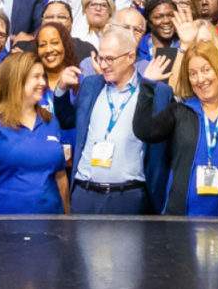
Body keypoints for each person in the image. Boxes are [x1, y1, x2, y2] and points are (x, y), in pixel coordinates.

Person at [134, 40, 218, 217]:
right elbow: (144, 131)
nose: (200, 79)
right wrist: (147, 86)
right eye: (193, 74)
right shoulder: (179, 111)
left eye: (206, 70)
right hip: (181, 222)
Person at [55, 30, 168, 214]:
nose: (103, 65)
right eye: (100, 58)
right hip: (85, 194)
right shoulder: (91, 85)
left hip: (127, 197)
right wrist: (61, 90)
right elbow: (67, 120)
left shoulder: (156, 91)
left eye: (110, 59)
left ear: (130, 57)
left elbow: (160, 149)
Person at [0, 52, 68, 214]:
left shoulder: (50, 121)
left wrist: (67, 217)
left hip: (49, 223)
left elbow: (60, 176)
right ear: (16, 80)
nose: (43, 82)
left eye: (43, 76)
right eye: (36, 77)